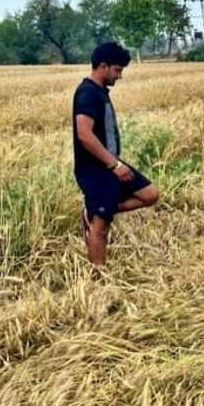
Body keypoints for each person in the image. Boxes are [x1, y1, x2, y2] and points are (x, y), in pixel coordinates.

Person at [73, 42, 160, 267]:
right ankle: (99, 280)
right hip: (96, 170)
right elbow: (84, 134)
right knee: (100, 229)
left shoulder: (100, 92)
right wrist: (114, 165)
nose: (119, 76)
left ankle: (93, 211)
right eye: (117, 70)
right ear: (103, 66)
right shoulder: (87, 94)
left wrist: (116, 164)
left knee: (150, 194)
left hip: (111, 164)